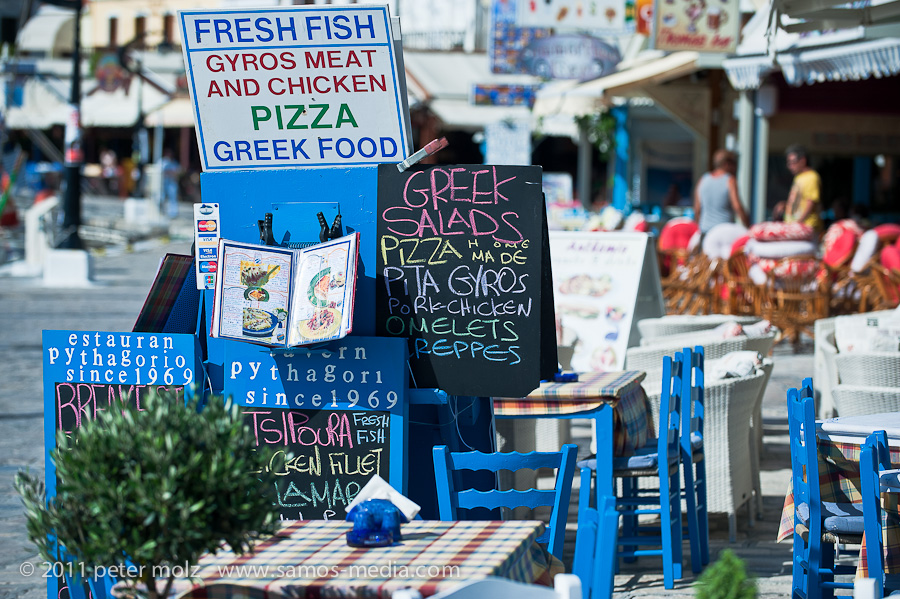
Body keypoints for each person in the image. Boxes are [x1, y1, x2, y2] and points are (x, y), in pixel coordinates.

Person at [693, 149, 749, 234]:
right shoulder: (730, 180)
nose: (735, 167)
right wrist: (748, 226)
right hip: (723, 232)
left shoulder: (703, 180)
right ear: (726, 164)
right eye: (734, 164)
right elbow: (737, 206)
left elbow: (697, 209)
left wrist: (699, 229)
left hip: (705, 232)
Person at [784, 144, 822, 231]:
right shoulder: (799, 177)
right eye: (788, 163)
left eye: (793, 162)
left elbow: (811, 202)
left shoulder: (812, 177)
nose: (790, 166)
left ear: (803, 160)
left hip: (806, 228)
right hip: (795, 227)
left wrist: (799, 222)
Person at [160, 149, 180, 219]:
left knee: (173, 198)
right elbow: (160, 172)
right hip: (162, 183)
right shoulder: (162, 162)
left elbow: (178, 172)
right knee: (161, 198)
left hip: (172, 183)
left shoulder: (174, 162)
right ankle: (161, 212)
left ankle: (173, 214)